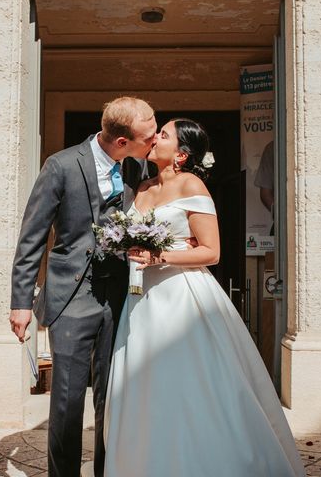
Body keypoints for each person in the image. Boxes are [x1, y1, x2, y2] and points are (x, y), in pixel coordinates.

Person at [103, 118, 305, 476]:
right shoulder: (143, 187)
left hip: (182, 297)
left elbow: (211, 251)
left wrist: (160, 255)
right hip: (141, 298)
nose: (154, 137)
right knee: (145, 386)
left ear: (181, 154)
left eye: (163, 134)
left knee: (187, 386)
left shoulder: (190, 184)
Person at [9, 96, 157, 477]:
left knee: (113, 400)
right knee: (67, 402)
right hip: (70, 298)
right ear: (121, 142)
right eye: (148, 136)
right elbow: (32, 237)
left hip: (120, 297)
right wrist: (21, 302)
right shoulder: (60, 166)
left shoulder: (138, 167)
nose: (154, 141)